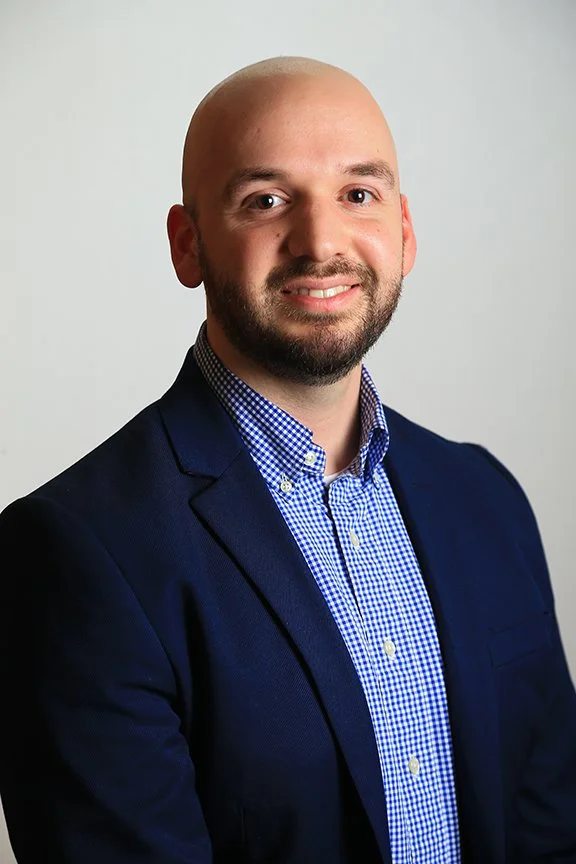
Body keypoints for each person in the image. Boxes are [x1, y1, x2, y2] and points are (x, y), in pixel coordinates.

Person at [1, 56, 575, 864]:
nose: (321, 242)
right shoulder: (75, 551)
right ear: (188, 245)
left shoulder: (485, 497)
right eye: (266, 200)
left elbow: (551, 828)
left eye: (358, 194)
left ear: (404, 232)